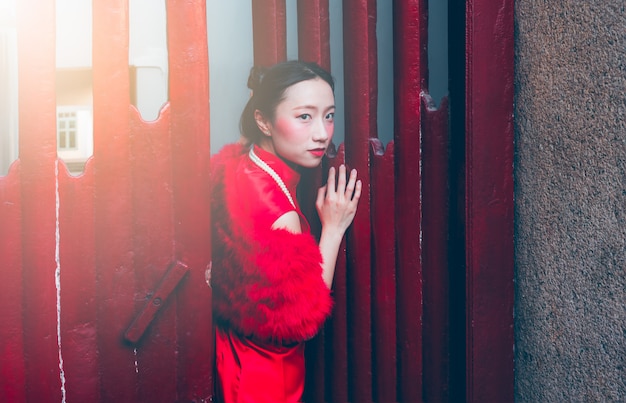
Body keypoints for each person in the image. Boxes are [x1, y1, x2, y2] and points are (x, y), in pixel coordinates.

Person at [210, 60, 362, 402]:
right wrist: (334, 228)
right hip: (265, 376)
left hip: (233, 358)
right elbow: (301, 321)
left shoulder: (239, 166)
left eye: (329, 115)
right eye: (304, 116)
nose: (322, 133)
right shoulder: (281, 213)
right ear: (263, 120)